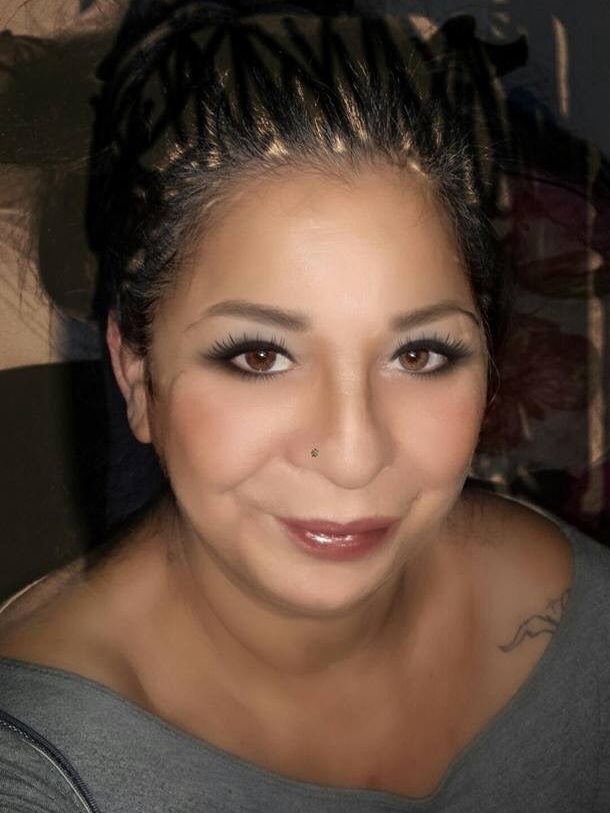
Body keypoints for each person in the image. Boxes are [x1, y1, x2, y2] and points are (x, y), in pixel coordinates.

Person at [0, 3, 609, 810]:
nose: (354, 454)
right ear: (137, 374)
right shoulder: (39, 769)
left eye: (419, 354)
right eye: (260, 356)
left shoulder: (582, 624)